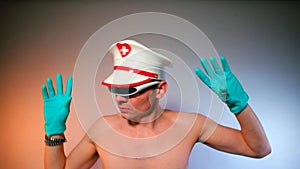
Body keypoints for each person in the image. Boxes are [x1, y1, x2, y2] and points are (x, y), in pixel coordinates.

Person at [42, 40, 271, 169]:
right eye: (115, 90)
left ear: (160, 89)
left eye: (130, 91)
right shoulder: (102, 130)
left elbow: (258, 149)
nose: (120, 98)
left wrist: (239, 105)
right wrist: (54, 132)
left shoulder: (190, 125)